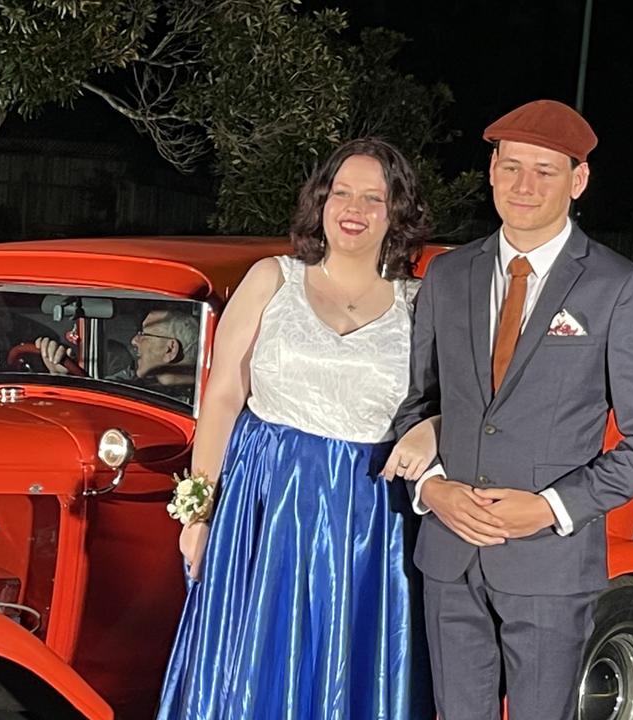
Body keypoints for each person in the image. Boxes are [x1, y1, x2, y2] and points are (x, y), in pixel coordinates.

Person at [384, 99, 633, 720]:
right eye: (512, 166)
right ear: (491, 170)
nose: (525, 185)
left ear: (577, 181)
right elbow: (419, 403)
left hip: (550, 562)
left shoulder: (617, 287)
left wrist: (550, 508)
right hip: (448, 552)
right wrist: (431, 489)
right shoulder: (446, 276)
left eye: (545, 171)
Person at [155, 138, 433, 719]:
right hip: (264, 512)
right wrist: (198, 517)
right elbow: (224, 398)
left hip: (368, 522)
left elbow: (456, 401)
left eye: (373, 197)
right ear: (321, 201)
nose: (353, 208)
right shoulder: (271, 280)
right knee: (249, 675)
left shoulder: (420, 304)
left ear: (397, 212)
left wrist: (434, 427)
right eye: (342, 192)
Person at [34, 307, 198, 402]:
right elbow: (96, 396)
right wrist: (63, 377)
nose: (134, 340)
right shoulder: (128, 381)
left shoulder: (200, 404)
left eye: (143, 334)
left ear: (170, 349)